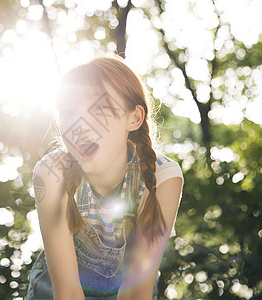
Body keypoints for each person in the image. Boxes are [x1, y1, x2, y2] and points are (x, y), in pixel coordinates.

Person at [26, 55, 183, 300]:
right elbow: (66, 293)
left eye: (98, 109)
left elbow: (136, 293)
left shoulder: (163, 178)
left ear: (134, 118)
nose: (79, 125)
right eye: (68, 112)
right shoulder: (51, 174)